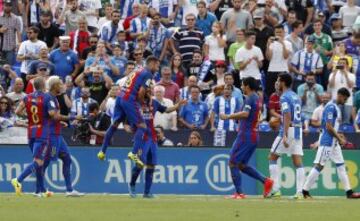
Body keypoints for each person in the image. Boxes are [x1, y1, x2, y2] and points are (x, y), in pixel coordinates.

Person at [98, 56, 160, 167]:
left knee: (115, 124)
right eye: (157, 65)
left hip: (120, 96)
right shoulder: (148, 74)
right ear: (152, 63)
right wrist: (141, 105)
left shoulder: (138, 68)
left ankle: (102, 151)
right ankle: (134, 153)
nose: (157, 68)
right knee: (142, 126)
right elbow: (141, 92)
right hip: (129, 98)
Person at [219, 77, 273, 199]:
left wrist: (228, 116)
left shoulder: (250, 98)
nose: (242, 87)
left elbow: (245, 114)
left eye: (243, 85)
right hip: (253, 135)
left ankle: (239, 193)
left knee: (233, 162)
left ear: (248, 86)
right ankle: (266, 181)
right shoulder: (257, 98)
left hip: (245, 135)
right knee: (242, 165)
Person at [128, 86, 186, 198]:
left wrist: (177, 105)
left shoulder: (154, 103)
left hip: (152, 136)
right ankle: (132, 184)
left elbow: (166, 110)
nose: (148, 92)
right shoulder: (135, 103)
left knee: (151, 164)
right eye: (146, 90)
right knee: (140, 163)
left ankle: (147, 192)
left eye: (149, 90)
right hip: (142, 136)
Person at [302, 88, 360, 199]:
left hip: (334, 142)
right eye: (345, 98)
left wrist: (339, 137)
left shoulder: (336, 108)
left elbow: (331, 127)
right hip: (328, 141)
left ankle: (349, 192)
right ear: (340, 95)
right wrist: (339, 138)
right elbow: (328, 127)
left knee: (341, 165)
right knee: (319, 166)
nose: (345, 101)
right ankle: (304, 191)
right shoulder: (331, 107)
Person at [10, 77, 52, 196]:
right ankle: (18, 180)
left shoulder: (27, 97)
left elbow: (17, 111)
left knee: (39, 161)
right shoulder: (46, 97)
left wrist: (29, 115)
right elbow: (52, 114)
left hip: (31, 132)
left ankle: (40, 190)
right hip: (42, 133)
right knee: (38, 161)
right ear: (43, 85)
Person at [45, 76, 84, 196]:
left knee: (67, 159)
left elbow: (52, 116)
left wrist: (58, 121)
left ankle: (69, 190)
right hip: (51, 135)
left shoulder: (55, 98)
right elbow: (54, 115)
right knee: (45, 161)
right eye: (60, 83)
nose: (62, 85)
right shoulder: (49, 97)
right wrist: (73, 117)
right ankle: (40, 187)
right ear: (55, 86)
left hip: (57, 134)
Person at [268, 73, 305, 199]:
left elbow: (287, 115)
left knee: (272, 157)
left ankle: (276, 189)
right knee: (297, 161)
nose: (277, 83)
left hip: (288, 129)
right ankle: (299, 192)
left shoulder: (284, 97)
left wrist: (284, 134)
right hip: (298, 129)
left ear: (283, 82)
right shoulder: (296, 96)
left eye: (278, 80)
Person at [265, 24, 292, 98]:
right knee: (271, 93)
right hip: (272, 70)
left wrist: (282, 43)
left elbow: (285, 56)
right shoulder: (271, 43)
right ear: (274, 33)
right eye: (277, 32)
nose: (279, 34)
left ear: (284, 32)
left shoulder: (288, 43)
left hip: (283, 70)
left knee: (283, 93)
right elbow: (268, 58)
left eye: (280, 32)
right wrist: (268, 45)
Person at [328, 57, 355, 124]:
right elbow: (331, 85)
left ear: (347, 65)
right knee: (336, 121)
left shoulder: (351, 75)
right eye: (340, 63)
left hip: (348, 101)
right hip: (336, 100)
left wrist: (346, 74)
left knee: (346, 122)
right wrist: (334, 73)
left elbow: (350, 86)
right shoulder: (332, 74)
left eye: (343, 63)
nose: (342, 65)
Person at [0, 0, 22, 65]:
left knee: (9, 68)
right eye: (6, 5)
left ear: (11, 7)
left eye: (9, 6)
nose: (7, 7)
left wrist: (19, 44)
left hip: (10, 47)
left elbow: (18, 32)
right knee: (1, 69)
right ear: (3, 6)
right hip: (0, 47)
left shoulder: (16, 18)